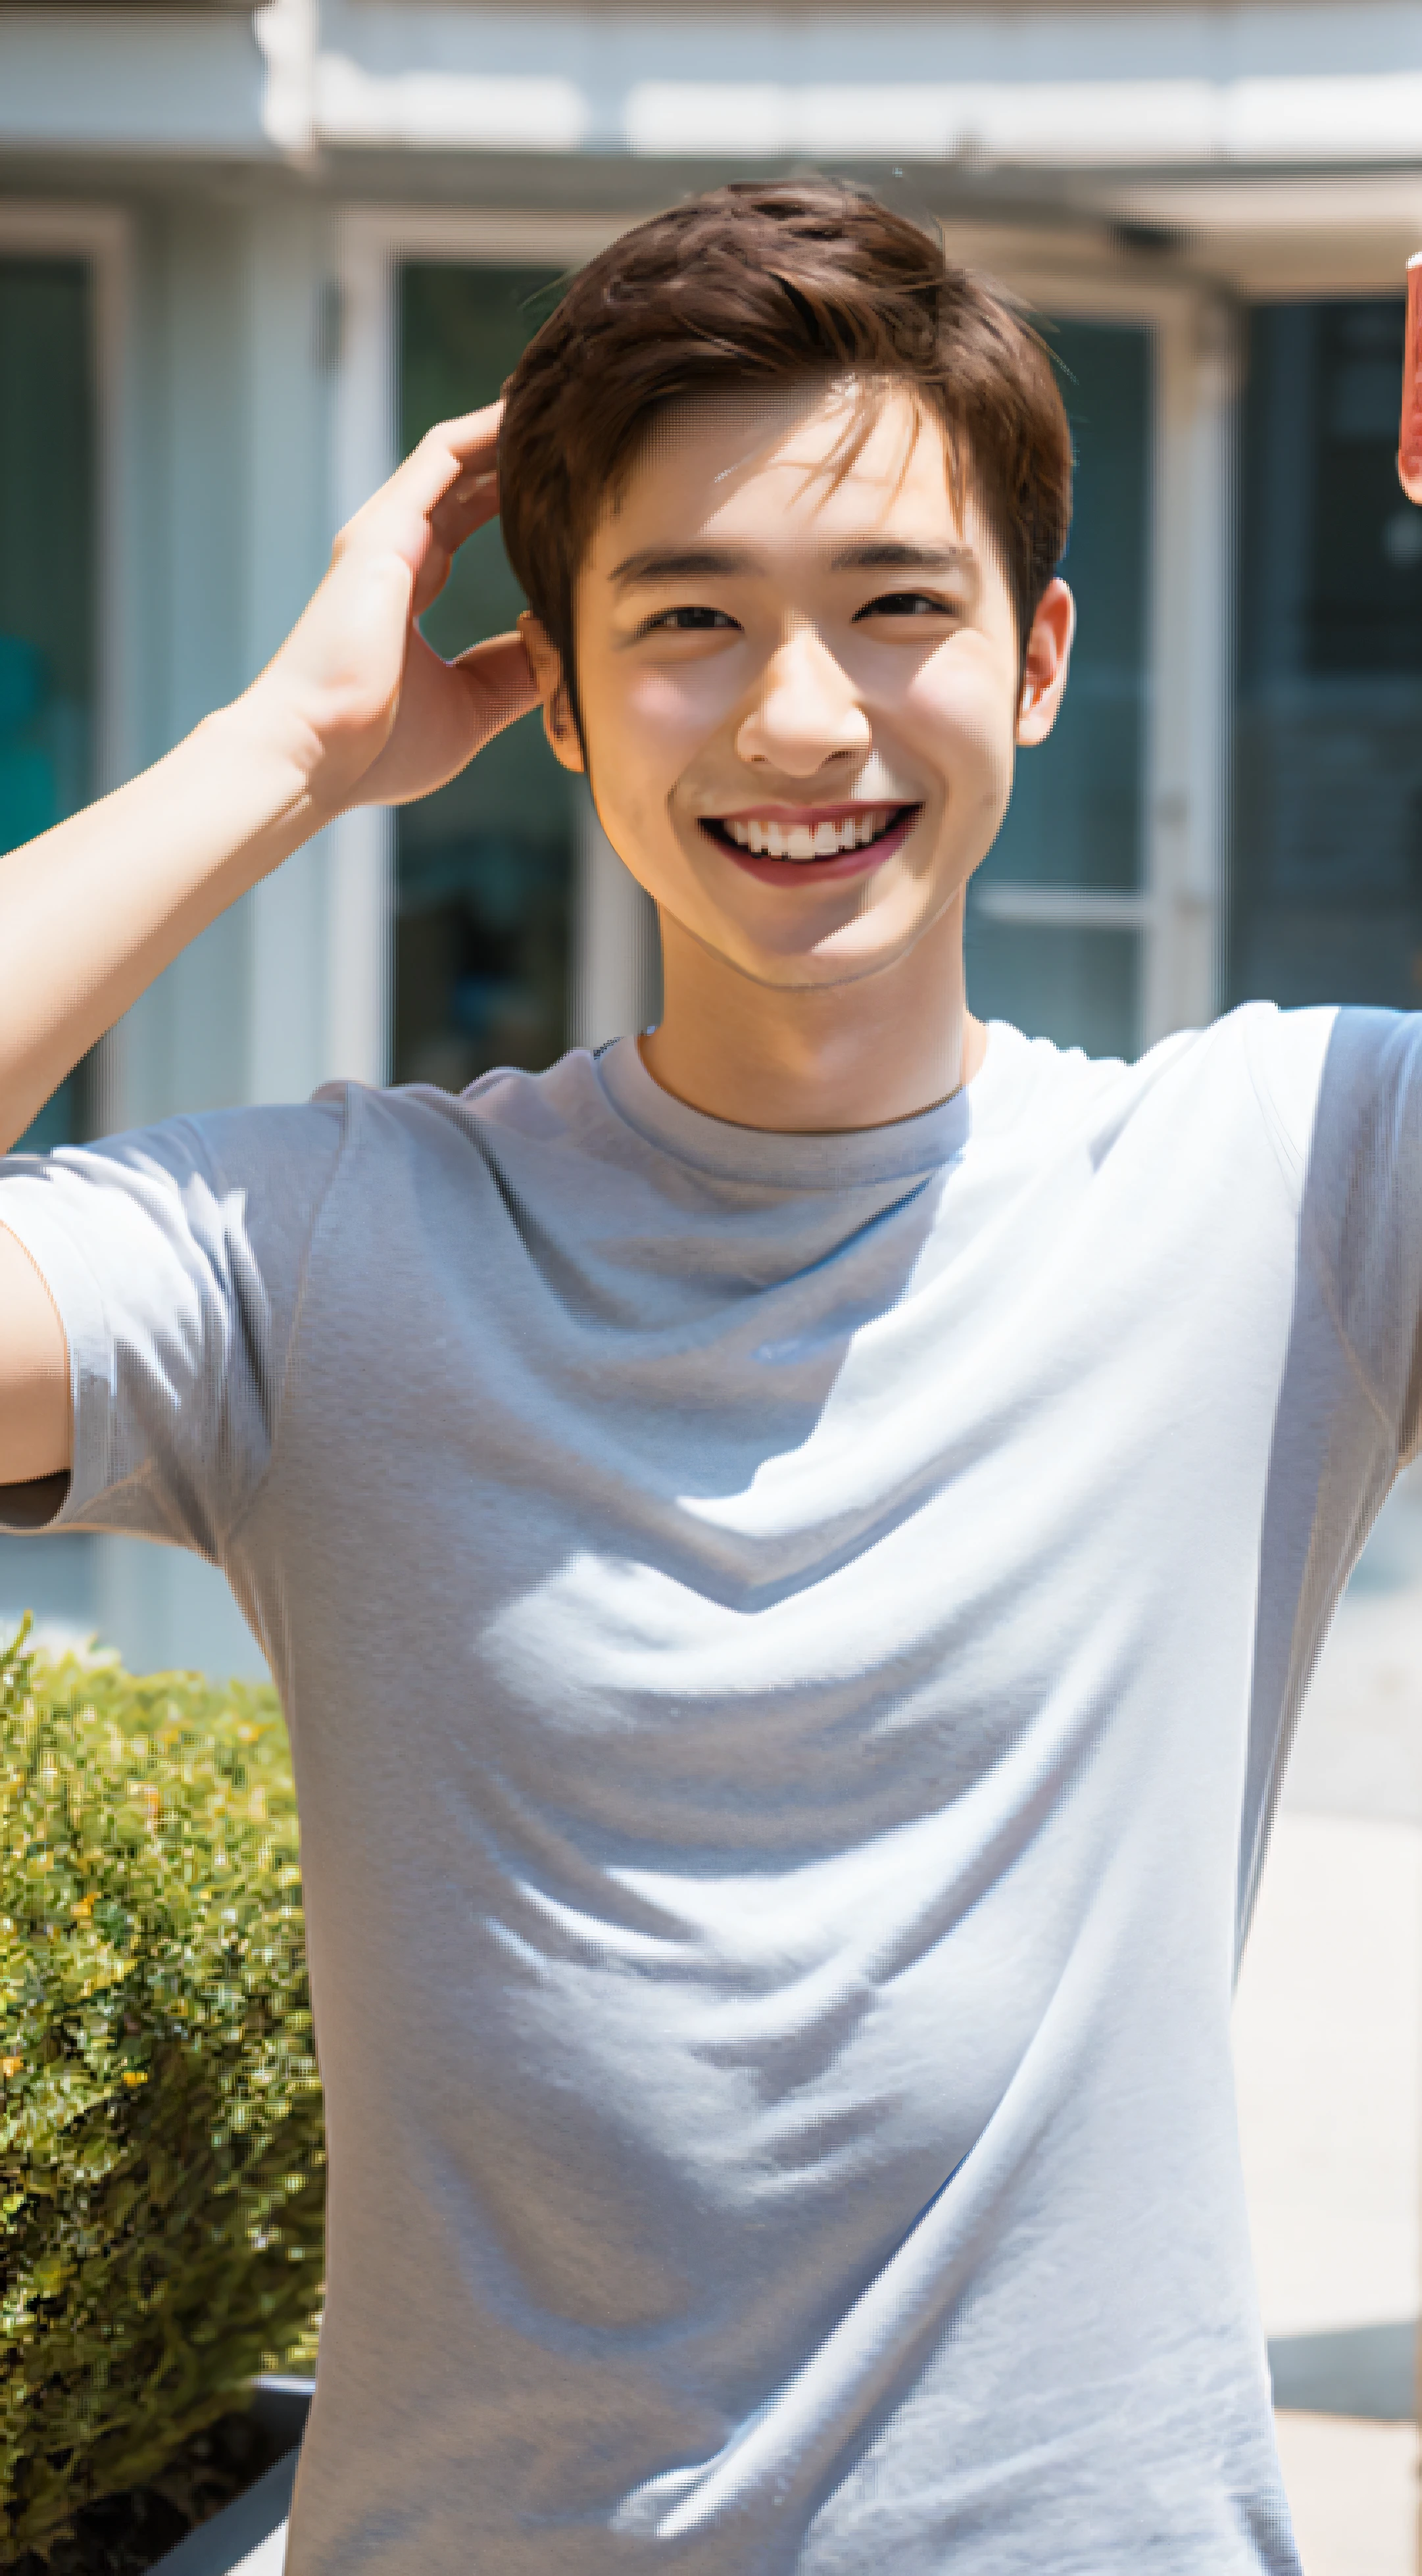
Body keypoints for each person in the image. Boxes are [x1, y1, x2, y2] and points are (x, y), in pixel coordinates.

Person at [0, 177, 1413, 2575]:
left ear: (1042, 658)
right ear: (544, 687)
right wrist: (288, 746)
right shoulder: (322, 1250)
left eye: (899, 609)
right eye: (686, 622)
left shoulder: (1291, 1180)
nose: (802, 716)